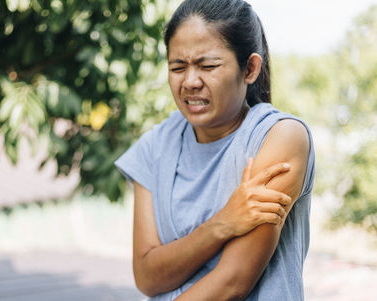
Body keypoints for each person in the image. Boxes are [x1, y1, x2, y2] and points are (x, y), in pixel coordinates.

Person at [114, 0, 315, 300]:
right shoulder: (154, 147)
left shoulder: (279, 137)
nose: (190, 82)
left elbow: (232, 282)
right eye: (177, 67)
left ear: (250, 68)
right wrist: (223, 223)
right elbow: (147, 276)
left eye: (208, 66)